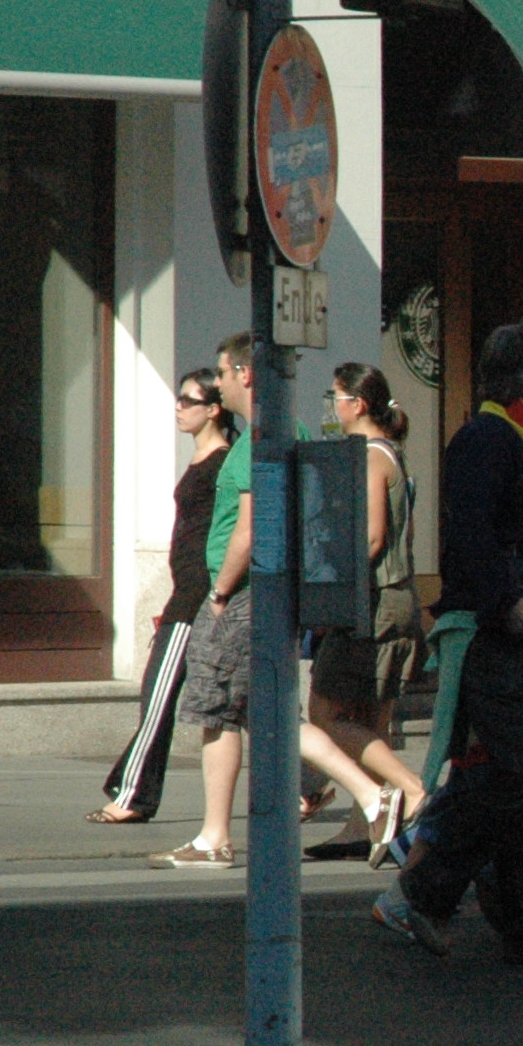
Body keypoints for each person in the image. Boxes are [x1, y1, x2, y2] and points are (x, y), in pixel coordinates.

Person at [372, 320, 523, 964]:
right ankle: (420, 891)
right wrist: (505, 603)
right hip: (494, 635)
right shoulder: (486, 439)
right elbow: (470, 537)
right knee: (516, 772)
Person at [156, 337, 399, 868]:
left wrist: (220, 591)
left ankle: (219, 836)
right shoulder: (293, 429)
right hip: (270, 591)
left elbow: (249, 529)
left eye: (222, 372)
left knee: (220, 711)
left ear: (245, 374)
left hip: (243, 593)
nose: (218, 382)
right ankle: (362, 796)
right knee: (264, 709)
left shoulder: (256, 443)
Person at [92, 370, 233, 826]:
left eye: (189, 400)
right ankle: (309, 784)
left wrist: (213, 593)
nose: (178, 406)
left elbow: (224, 534)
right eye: (179, 398)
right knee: (238, 702)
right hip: (186, 594)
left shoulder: (222, 464)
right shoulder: (204, 460)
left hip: (196, 598)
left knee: (158, 699)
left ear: (213, 410)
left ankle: (132, 795)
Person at [303, 363, 426, 862]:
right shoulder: (388, 452)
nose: (331, 405)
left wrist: (327, 586)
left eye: (334, 396)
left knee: (325, 713)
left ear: (357, 404)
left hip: (372, 603)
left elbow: (371, 537)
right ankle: (365, 826)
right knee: (372, 721)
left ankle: (411, 790)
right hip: (395, 597)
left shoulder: (372, 457)